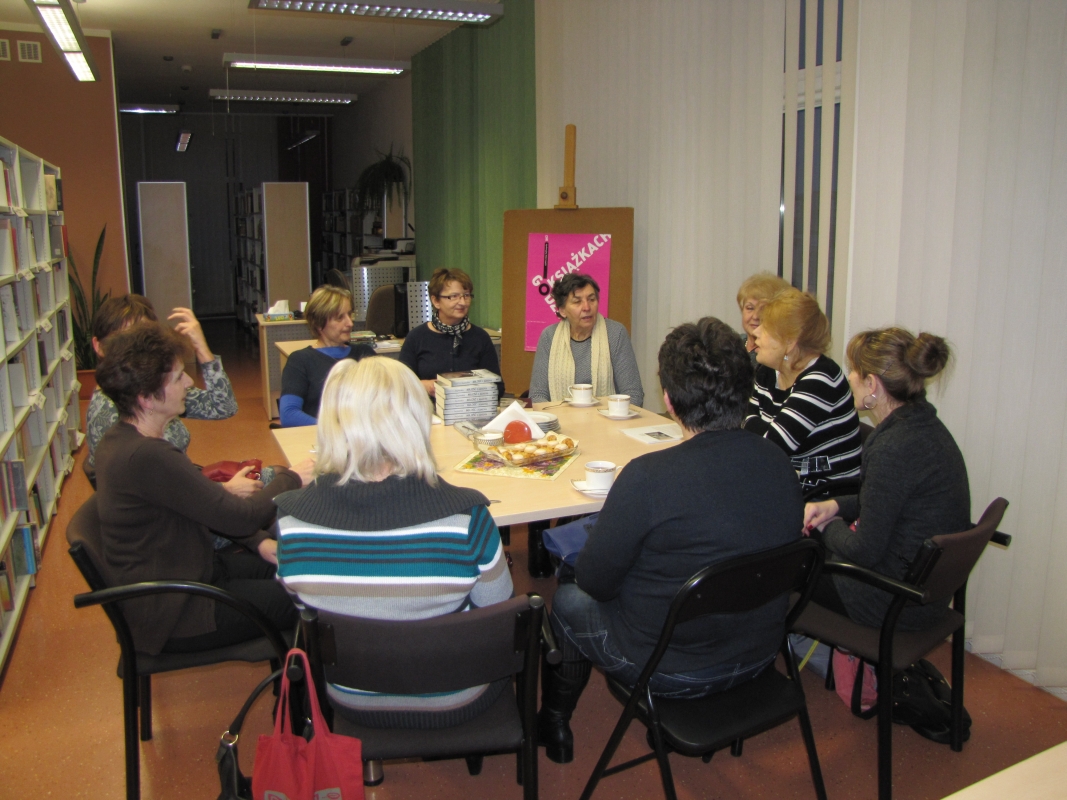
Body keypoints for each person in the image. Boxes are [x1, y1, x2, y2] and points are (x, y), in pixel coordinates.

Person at [537, 317, 803, 764]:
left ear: (669, 400)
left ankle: (554, 722)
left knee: (568, 597)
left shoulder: (647, 477)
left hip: (668, 672)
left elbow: (595, 583)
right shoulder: (780, 466)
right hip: (760, 656)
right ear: (746, 391)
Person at [275, 356, 513, 728]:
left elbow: (306, 610)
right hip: (455, 692)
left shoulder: (291, 520)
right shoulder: (467, 516)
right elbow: (496, 612)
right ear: (416, 422)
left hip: (350, 696)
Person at [92, 322, 314, 656]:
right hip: (179, 610)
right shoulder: (149, 457)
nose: (189, 382)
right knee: (312, 596)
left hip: (189, 573)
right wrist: (293, 477)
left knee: (300, 566)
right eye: (178, 378)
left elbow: (209, 508)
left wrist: (257, 543)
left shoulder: (121, 441)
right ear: (146, 398)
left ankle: (300, 675)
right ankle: (309, 684)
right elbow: (241, 517)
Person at [804, 327, 970, 631]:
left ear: (872, 384)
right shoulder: (925, 426)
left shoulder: (892, 448)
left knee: (787, 564)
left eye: (854, 371)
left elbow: (863, 551)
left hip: (892, 601)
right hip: (922, 592)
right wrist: (835, 506)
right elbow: (886, 501)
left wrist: (826, 526)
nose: (849, 378)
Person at [84, 295, 248, 487]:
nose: (137, 352)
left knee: (269, 477)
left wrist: (201, 348)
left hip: (185, 484)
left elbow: (224, 407)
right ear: (99, 347)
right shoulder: (109, 411)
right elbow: (147, 491)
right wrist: (224, 490)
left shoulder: (153, 388)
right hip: (177, 494)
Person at [742, 288, 862, 493]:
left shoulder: (821, 379)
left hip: (823, 495)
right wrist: (754, 426)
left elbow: (771, 448)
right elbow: (745, 420)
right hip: (782, 483)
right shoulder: (768, 371)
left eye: (766, 328)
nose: (756, 332)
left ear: (789, 342)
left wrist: (752, 424)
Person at [528, 273, 644, 406]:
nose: (587, 307)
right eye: (577, 302)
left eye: (591, 299)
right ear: (562, 310)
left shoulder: (615, 333)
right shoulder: (549, 337)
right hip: (559, 418)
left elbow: (633, 394)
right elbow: (537, 395)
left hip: (607, 417)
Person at [279, 285, 375, 427]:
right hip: (320, 436)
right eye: (340, 318)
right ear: (319, 323)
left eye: (349, 314)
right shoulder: (300, 361)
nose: (350, 323)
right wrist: (334, 429)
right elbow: (289, 415)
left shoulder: (364, 354)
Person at [399, 268, 503, 398]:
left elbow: (498, 388)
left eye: (466, 295)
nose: (462, 302)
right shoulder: (417, 337)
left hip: (470, 407)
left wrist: (467, 390)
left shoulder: (480, 337)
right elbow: (400, 385)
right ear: (436, 301)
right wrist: (425, 386)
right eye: (454, 296)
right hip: (428, 408)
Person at [736, 272, 792, 364]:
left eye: (763, 310)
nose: (755, 316)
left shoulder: (774, 355)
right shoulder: (733, 344)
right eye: (750, 308)